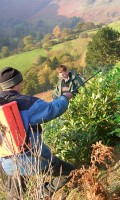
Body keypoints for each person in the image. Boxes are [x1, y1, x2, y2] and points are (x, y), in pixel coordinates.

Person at [0, 67, 75, 199]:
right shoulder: (26, 102)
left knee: (15, 195)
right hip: (34, 158)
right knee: (69, 172)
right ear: (19, 82)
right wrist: (65, 97)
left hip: (8, 163)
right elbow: (52, 109)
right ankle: (43, 192)